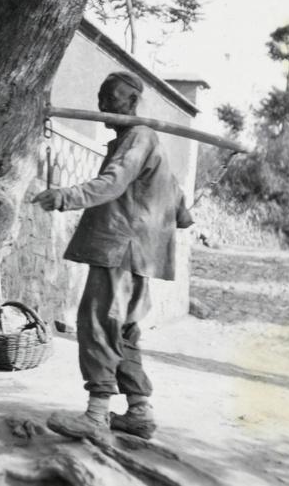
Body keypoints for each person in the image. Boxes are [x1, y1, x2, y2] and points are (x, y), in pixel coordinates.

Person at [33, 71, 193, 442]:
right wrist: (179, 212)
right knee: (124, 331)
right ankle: (139, 411)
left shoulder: (137, 137)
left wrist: (64, 196)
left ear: (132, 102)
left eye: (112, 97)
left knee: (99, 323)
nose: (103, 105)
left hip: (121, 247)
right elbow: (180, 208)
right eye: (101, 96)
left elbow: (114, 182)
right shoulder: (145, 141)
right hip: (141, 253)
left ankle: (96, 414)